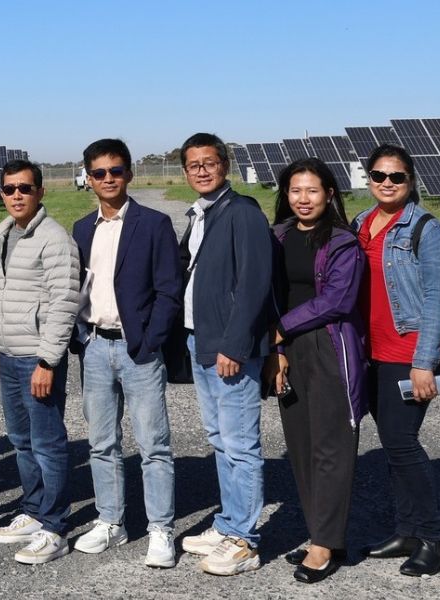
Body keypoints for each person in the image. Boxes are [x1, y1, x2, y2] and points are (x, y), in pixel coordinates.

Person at [67, 139, 184, 569]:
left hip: (139, 350)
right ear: (88, 178)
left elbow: (169, 290)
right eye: (99, 173)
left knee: (153, 444)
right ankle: (111, 521)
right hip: (95, 347)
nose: (108, 179)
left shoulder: (153, 224)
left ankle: (161, 529)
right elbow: (75, 288)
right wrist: (81, 338)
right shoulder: (83, 228)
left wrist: (150, 340)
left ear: (129, 174)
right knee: (101, 443)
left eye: (116, 171)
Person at [353, 144, 440, 577]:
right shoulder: (361, 223)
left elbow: (438, 300)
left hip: (409, 352)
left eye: (396, 176)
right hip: (372, 351)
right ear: (369, 179)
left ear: (410, 180)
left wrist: (424, 362)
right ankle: (407, 531)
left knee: (401, 442)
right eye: (379, 175)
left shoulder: (428, 230)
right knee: (392, 444)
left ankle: (435, 539)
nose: (387, 183)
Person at [173, 133, 274, 576]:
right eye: (193, 165)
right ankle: (229, 522)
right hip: (201, 339)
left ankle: (245, 541)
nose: (202, 170)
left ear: (225, 165)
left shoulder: (242, 212)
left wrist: (235, 344)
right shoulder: (200, 213)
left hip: (229, 347)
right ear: (185, 171)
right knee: (219, 437)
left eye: (209, 162)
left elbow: (254, 283)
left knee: (240, 443)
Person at [266, 158, 368, 584]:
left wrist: (281, 328)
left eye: (312, 190)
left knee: (331, 446)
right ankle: (321, 536)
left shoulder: (343, 242)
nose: (303, 199)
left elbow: (338, 300)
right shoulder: (277, 236)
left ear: (329, 194)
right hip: (287, 349)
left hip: (328, 345)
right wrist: (275, 347)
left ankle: (326, 544)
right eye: (295, 190)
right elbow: (268, 293)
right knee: (302, 445)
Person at [0, 159, 83, 566]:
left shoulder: (54, 239)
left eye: (25, 188)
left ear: (40, 192)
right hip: (10, 354)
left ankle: (55, 526)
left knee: (47, 443)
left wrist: (48, 360)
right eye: (10, 189)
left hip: (38, 358)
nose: (17, 195)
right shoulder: (5, 233)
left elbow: (64, 302)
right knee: (21, 441)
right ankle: (33, 510)